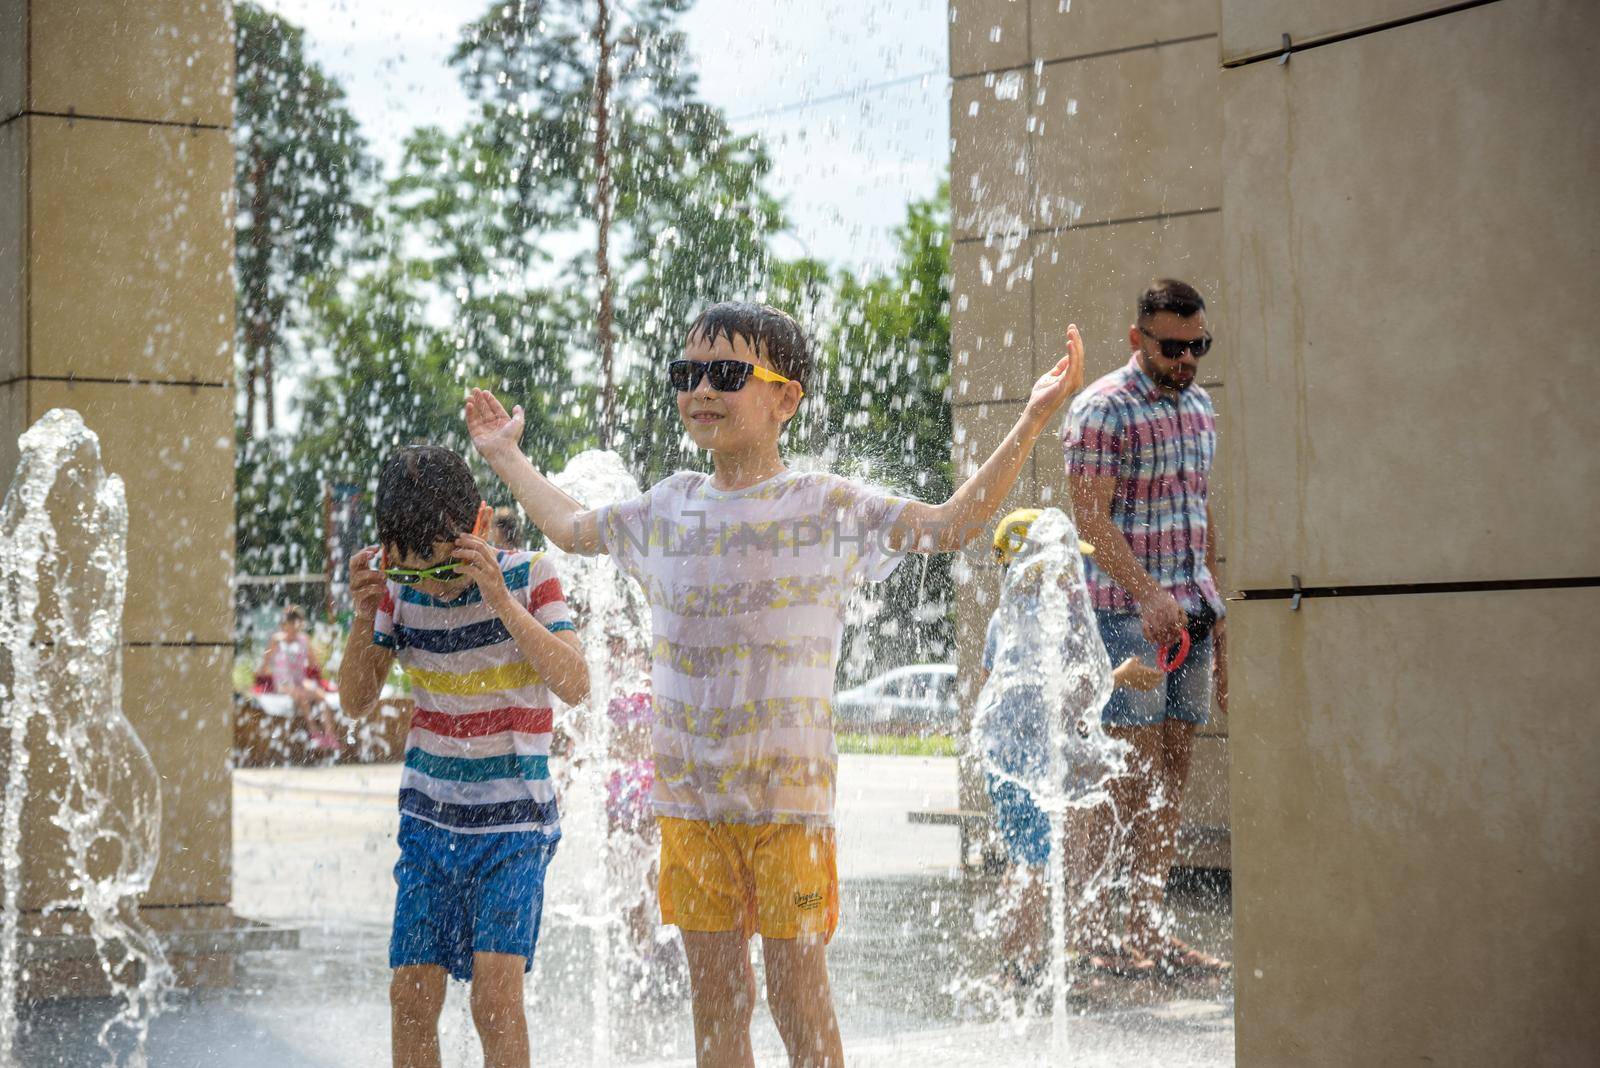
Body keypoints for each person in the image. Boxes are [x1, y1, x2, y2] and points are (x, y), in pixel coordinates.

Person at [465, 300, 1084, 1068]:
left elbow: (949, 526)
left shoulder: (826, 507)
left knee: (797, 996)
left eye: (726, 374)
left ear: (785, 398)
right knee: (718, 1003)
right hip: (690, 803)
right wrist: (504, 457)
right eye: (686, 374)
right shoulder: (667, 507)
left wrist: (1029, 420)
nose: (701, 391)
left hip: (789, 804)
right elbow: (569, 527)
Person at [337, 444, 590, 1068]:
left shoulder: (530, 575)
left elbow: (576, 683)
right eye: (417, 572)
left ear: (478, 525)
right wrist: (364, 613)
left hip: (514, 826)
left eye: (447, 567)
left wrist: (501, 602)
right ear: (391, 550)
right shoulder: (396, 592)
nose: (439, 585)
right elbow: (356, 701)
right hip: (429, 825)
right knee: (411, 997)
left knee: (495, 1001)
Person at [1063, 278, 1230, 977]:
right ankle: (1090, 930)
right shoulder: (1102, 409)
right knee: (1126, 775)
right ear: (1139, 339)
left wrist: (1219, 614)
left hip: (1190, 610)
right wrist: (1147, 593)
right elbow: (1090, 521)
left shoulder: (1200, 407)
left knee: (1172, 772)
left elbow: (1198, 511)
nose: (1187, 358)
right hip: (1124, 616)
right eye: (1173, 346)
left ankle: (1149, 928)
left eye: (1198, 345)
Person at [977, 508, 1165, 992]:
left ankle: (1025, 962)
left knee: (1030, 859)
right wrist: (1120, 677)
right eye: (1063, 566)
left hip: (1008, 763)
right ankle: (1018, 967)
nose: (1070, 578)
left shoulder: (1005, 618)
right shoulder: (1040, 622)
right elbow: (1065, 695)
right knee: (1033, 864)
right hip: (1026, 767)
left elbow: (992, 691)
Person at [258, 604, 340, 750]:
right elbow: (265, 664)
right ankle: (314, 732)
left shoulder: (304, 639)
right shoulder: (277, 640)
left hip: (300, 680)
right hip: (283, 682)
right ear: (285, 625)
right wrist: (261, 678)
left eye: (298, 624)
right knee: (302, 696)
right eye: (291, 624)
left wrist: (323, 672)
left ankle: (330, 735)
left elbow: (314, 663)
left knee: (322, 697)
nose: (295, 628)